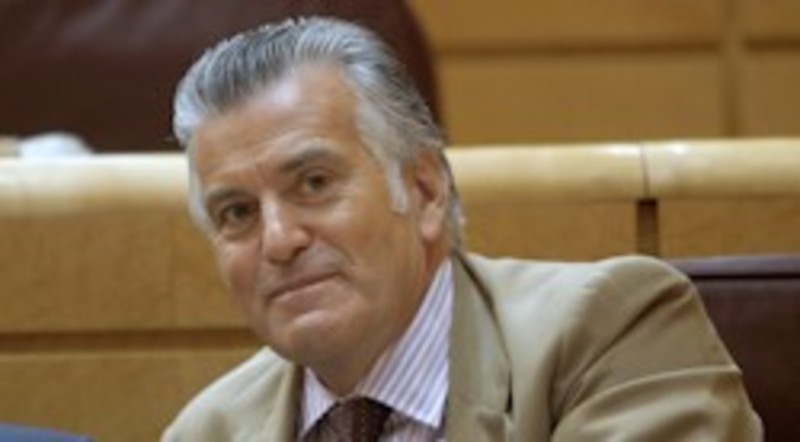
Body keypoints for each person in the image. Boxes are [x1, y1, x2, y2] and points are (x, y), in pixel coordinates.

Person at [162, 17, 761, 441]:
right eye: (236, 212)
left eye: (314, 183)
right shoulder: (207, 431)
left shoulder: (610, 333)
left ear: (425, 190)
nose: (278, 239)